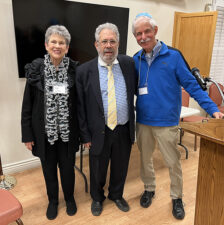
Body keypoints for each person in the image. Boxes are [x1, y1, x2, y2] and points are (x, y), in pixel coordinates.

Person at [132, 13, 224, 220]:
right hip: (144, 121)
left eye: (147, 31)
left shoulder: (173, 56)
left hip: (167, 122)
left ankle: (177, 197)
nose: (143, 36)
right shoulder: (135, 60)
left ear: (155, 31)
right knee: (145, 159)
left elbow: (193, 86)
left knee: (172, 162)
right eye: (138, 33)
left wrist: (212, 109)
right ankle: (149, 188)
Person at [76, 23, 136, 216]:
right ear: (96, 45)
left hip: (123, 128)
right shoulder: (84, 71)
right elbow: (80, 108)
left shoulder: (128, 64)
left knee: (121, 166)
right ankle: (97, 198)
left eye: (112, 41)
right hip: (97, 131)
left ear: (118, 43)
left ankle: (116, 195)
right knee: (97, 169)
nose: (108, 45)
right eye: (104, 41)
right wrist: (85, 136)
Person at [21, 25, 79, 220]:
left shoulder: (74, 70)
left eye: (61, 43)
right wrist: (27, 136)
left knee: (67, 168)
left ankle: (70, 198)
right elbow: (27, 106)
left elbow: (80, 105)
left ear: (67, 47)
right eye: (53, 42)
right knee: (49, 170)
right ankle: (53, 201)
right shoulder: (36, 69)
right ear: (46, 45)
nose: (57, 45)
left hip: (68, 133)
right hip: (43, 134)